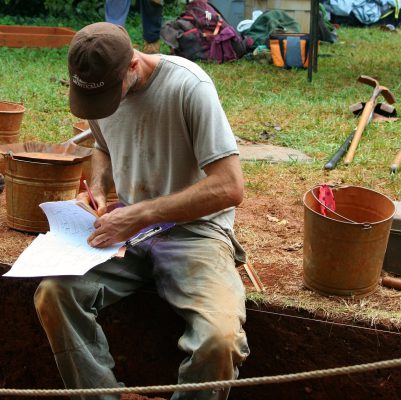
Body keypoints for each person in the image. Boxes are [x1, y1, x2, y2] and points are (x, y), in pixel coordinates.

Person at [34, 22, 250, 400]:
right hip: (127, 233)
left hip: (195, 232)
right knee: (53, 292)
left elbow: (230, 187)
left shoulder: (189, 86)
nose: (103, 109)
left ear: (132, 65)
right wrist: (100, 186)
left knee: (219, 340)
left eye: (108, 98)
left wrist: (141, 214)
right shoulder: (101, 84)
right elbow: (102, 145)